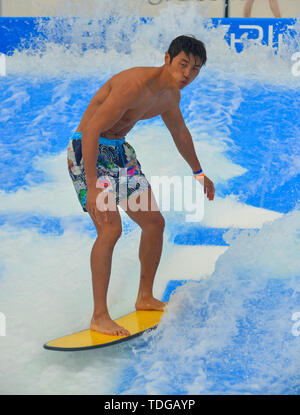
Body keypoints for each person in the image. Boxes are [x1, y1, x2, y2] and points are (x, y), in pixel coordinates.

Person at [67, 35, 215, 336]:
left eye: (195, 69)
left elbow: (180, 132)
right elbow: (93, 128)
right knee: (111, 229)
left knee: (154, 222)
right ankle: (99, 316)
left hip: (121, 152)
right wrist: (93, 184)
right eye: (183, 64)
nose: (187, 74)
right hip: (88, 151)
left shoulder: (171, 96)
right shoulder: (133, 85)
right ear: (167, 58)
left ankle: (145, 298)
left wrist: (199, 172)